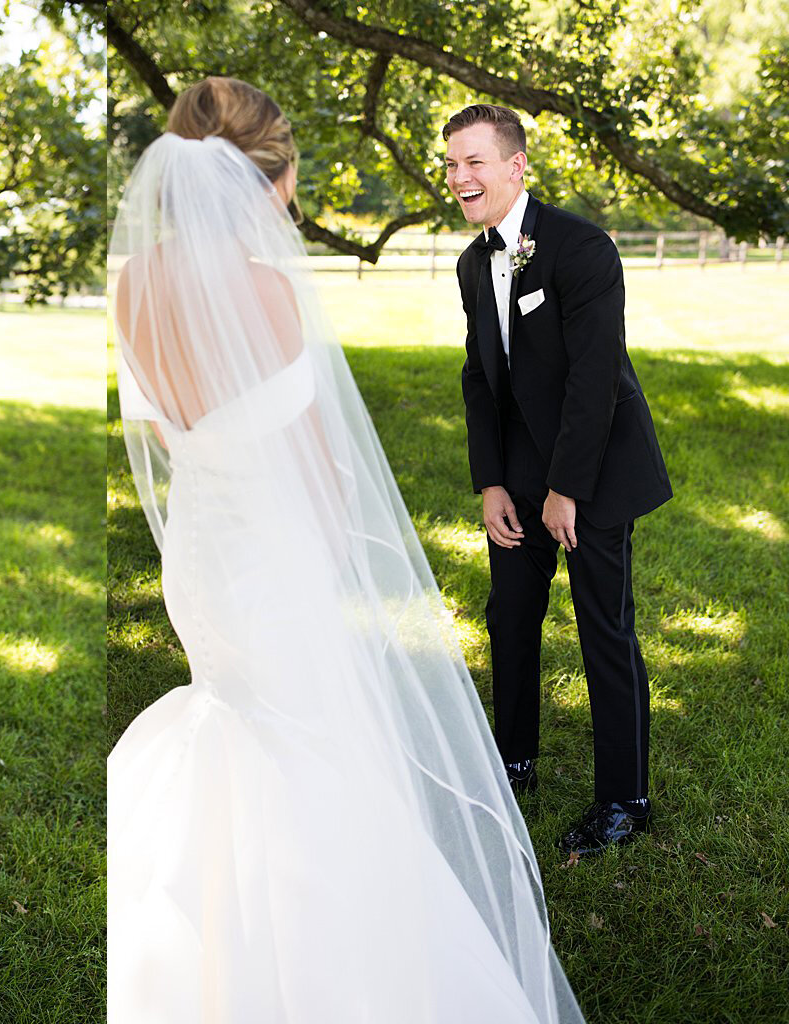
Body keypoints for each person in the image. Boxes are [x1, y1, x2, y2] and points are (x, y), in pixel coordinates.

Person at [106, 79, 581, 1022]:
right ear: (272, 184)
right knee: (311, 755)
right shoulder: (273, 290)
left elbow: (168, 436)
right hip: (275, 564)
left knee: (233, 721)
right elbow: (322, 470)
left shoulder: (132, 287)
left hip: (198, 559)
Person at [445, 103, 671, 854]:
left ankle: (625, 802)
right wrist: (492, 483)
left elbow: (595, 378)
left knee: (604, 628)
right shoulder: (473, 262)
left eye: (474, 161)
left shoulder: (582, 248)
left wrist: (567, 489)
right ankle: (513, 762)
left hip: (596, 465)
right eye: (451, 164)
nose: (459, 176)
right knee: (508, 615)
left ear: (516, 167)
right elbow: (481, 379)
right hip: (517, 471)